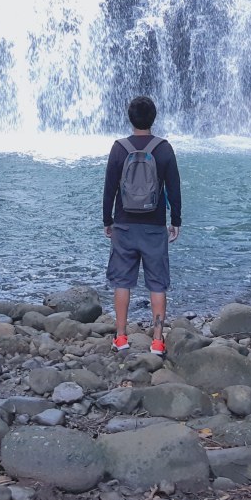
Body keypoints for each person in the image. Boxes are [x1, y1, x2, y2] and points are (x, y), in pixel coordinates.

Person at [102, 95, 181, 355]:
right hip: (154, 226)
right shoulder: (164, 148)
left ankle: (121, 337)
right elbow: (174, 187)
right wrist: (176, 220)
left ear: (129, 118)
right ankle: (157, 342)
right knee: (157, 284)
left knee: (122, 283)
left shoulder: (119, 148)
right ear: (154, 118)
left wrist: (107, 220)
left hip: (124, 225)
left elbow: (110, 188)